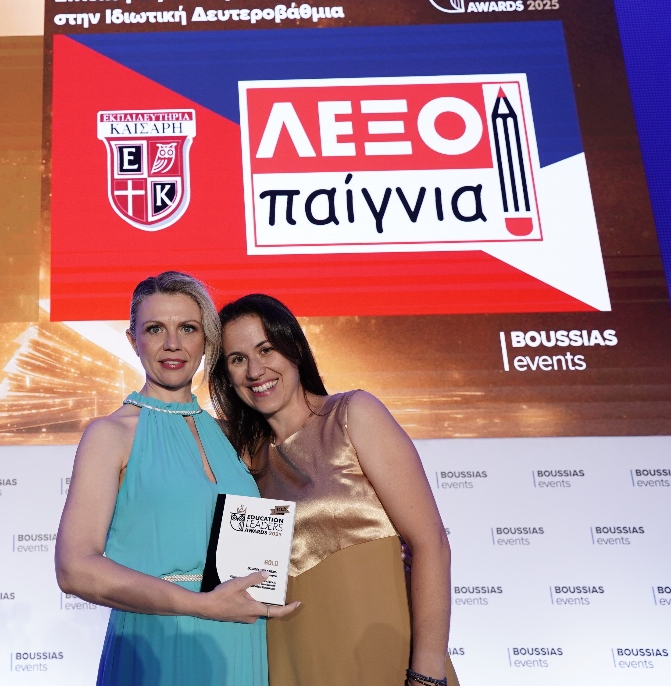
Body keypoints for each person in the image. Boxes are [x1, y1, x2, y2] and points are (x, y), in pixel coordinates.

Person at [55, 272, 297, 685]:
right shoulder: (111, 435)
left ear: (206, 341)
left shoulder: (232, 436)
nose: (173, 344)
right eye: (155, 329)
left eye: (187, 328)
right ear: (133, 340)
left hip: (240, 642)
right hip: (158, 641)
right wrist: (200, 605)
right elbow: (74, 569)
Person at [210, 294, 458, 686]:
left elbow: (430, 544)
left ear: (294, 348)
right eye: (237, 359)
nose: (255, 370)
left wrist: (426, 675)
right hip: (291, 661)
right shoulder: (242, 462)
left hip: (383, 658)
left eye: (266, 349)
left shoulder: (352, 415)